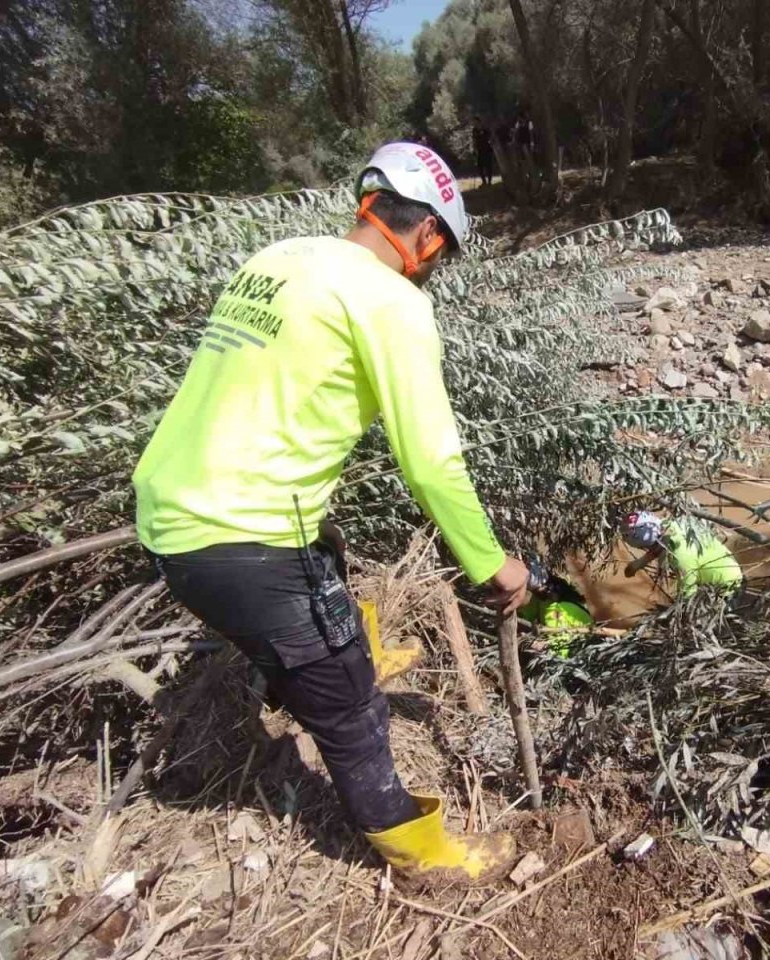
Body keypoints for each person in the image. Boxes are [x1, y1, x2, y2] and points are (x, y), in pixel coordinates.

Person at [132, 141, 528, 886]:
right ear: (428, 236)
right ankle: (416, 851)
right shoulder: (392, 301)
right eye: (441, 254)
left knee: (324, 546)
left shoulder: (278, 259)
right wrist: (489, 562)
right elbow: (433, 462)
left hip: (166, 509)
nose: (434, 268)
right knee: (353, 713)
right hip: (238, 538)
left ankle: (324, 661)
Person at [621, 510, 743, 601]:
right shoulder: (670, 526)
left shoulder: (679, 555)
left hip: (725, 588)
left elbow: (688, 592)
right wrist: (637, 565)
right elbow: (660, 546)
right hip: (728, 570)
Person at [517, 560, 592, 658]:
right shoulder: (541, 600)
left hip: (576, 655)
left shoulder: (558, 609)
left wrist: (542, 646)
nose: (542, 593)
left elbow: (561, 650)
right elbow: (525, 617)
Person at [471, 116, 494, 187]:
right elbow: (474, 140)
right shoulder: (474, 130)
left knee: (488, 166)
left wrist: (490, 143)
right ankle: (484, 182)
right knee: (479, 166)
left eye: (475, 121)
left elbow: (490, 137)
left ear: (478, 121)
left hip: (487, 149)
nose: (474, 123)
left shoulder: (485, 129)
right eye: (473, 122)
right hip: (479, 150)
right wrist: (474, 149)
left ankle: (489, 182)